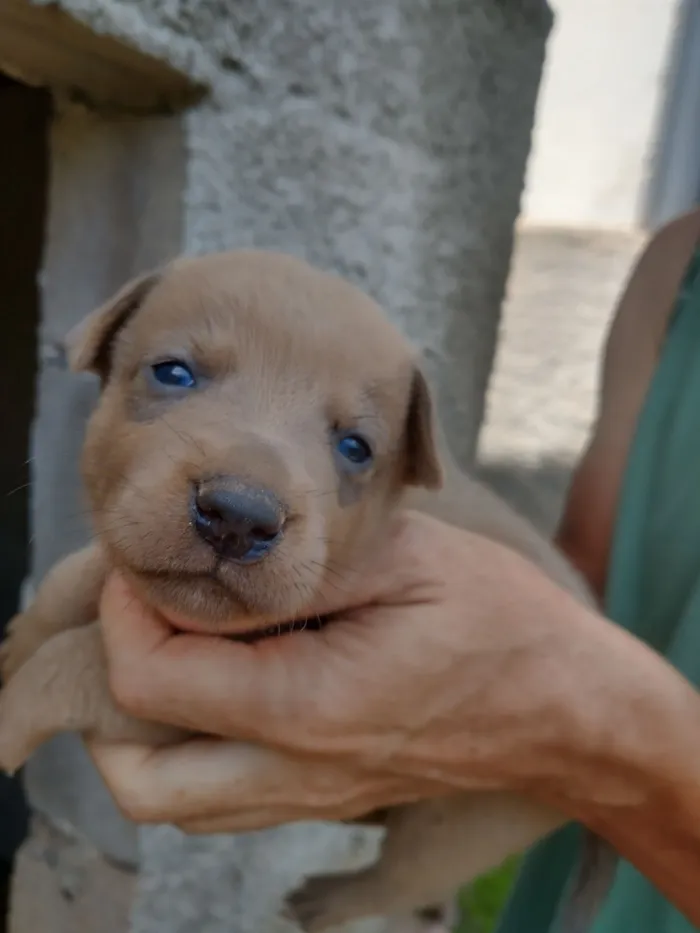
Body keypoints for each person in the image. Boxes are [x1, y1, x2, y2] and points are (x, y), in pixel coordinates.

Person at [90, 208, 700, 931]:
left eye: (352, 444)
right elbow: (587, 570)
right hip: (591, 815)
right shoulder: (678, 262)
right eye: (177, 375)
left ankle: (389, 895)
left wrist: (607, 736)